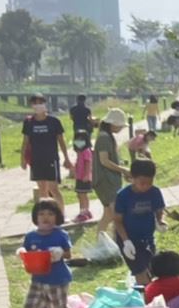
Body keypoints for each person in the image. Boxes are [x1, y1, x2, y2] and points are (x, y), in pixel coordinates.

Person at [18, 199, 76, 308]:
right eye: (42, 214)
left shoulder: (60, 235)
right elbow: (27, 252)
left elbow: (68, 253)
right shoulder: (31, 236)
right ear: (35, 217)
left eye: (50, 214)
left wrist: (59, 253)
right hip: (37, 279)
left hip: (57, 280)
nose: (46, 217)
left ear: (57, 217)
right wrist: (22, 254)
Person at [113, 159, 166, 285]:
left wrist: (160, 221)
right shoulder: (123, 196)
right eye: (142, 183)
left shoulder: (155, 192)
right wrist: (126, 241)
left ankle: (150, 296)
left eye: (149, 183)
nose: (146, 186)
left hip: (147, 239)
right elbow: (118, 221)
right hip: (128, 238)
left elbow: (159, 210)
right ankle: (147, 301)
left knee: (151, 269)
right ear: (133, 178)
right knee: (140, 271)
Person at [21, 95, 72, 213]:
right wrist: (23, 159)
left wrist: (66, 158)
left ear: (45, 104)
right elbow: (25, 142)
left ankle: (61, 214)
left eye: (40, 103)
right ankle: (45, 216)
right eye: (35, 103)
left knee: (53, 189)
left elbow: (61, 140)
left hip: (51, 159)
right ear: (32, 106)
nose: (38, 105)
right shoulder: (29, 122)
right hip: (36, 160)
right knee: (42, 190)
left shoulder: (54, 121)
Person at [92, 107, 130, 242]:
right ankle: (120, 241)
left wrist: (121, 170)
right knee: (116, 214)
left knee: (108, 215)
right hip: (105, 181)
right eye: (119, 125)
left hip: (110, 180)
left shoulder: (108, 136)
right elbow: (104, 161)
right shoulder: (104, 137)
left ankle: (101, 242)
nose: (120, 128)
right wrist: (124, 170)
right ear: (112, 124)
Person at [69, 94, 95, 222]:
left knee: (82, 195)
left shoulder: (73, 109)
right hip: (80, 175)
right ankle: (85, 211)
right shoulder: (87, 109)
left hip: (83, 176)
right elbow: (90, 119)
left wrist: (85, 174)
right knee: (80, 194)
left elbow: (71, 118)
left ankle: (83, 212)